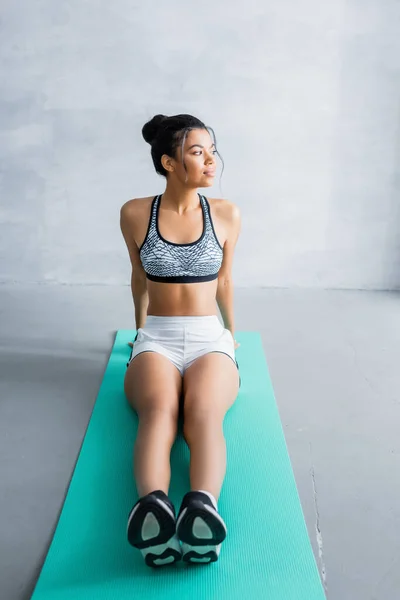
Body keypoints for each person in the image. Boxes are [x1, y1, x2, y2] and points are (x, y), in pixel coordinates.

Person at [120, 113, 241, 568]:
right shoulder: (135, 213)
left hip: (210, 338)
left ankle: (201, 507)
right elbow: (139, 278)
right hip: (158, 339)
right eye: (197, 152)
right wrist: (138, 334)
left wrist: (231, 334)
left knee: (204, 413)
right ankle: (152, 509)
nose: (211, 161)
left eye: (212, 151)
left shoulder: (226, 213)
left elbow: (225, 281)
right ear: (169, 163)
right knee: (159, 413)